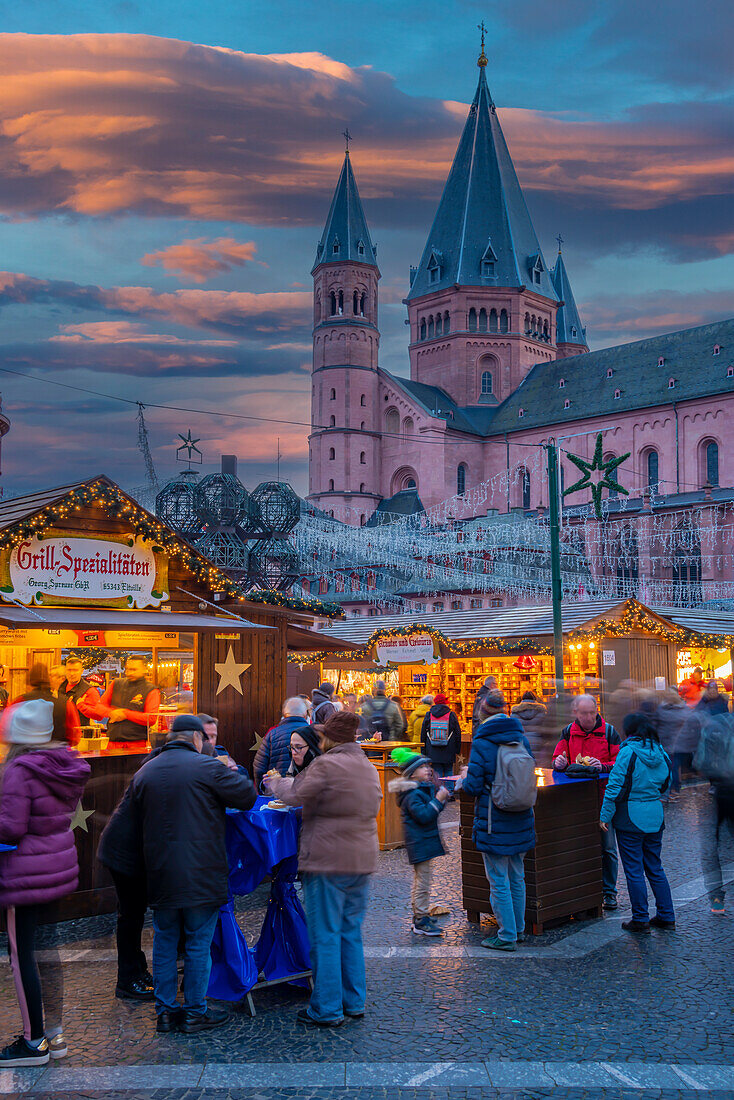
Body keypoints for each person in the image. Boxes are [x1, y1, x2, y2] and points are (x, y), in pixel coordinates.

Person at [130, 715, 256, 1034]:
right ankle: (194, 1012)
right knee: (199, 943)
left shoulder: (147, 770)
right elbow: (247, 796)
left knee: (165, 941)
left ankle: (165, 1012)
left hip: (159, 871)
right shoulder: (206, 766)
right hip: (201, 871)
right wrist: (221, 762)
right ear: (198, 739)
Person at [266, 711, 382, 1027]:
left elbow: (294, 794)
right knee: (349, 932)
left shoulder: (327, 764)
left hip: (328, 860)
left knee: (325, 935)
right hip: (360, 860)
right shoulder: (367, 766)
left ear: (329, 737)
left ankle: (327, 1008)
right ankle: (353, 1001)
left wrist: (277, 781)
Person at [0, 699, 90, 1066]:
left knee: (22, 957)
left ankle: (32, 1041)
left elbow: (10, 828)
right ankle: (54, 1031)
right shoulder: (62, 763)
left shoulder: (21, 769)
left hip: (24, 874)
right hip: (54, 869)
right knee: (46, 952)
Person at [460, 689, 536, 950]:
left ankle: (506, 935)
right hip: (522, 816)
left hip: (494, 819)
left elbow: (473, 786)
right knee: (517, 876)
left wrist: (464, 777)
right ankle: (519, 928)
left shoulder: (483, 742)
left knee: (498, 880)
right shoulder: (520, 738)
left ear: (483, 712)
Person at [600, 712, 675, 934]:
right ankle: (666, 915)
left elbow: (614, 786)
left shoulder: (628, 752)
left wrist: (605, 816)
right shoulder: (660, 751)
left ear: (629, 730)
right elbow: (667, 782)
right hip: (655, 814)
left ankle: (640, 918)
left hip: (630, 816)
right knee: (654, 866)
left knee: (633, 869)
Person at [97, 749, 161, 1004]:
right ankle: (127, 980)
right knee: (130, 917)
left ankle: (138, 971)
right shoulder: (155, 779)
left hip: (124, 853)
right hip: (124, 856)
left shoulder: (151, 771)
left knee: (132, 915)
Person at [552, 693, 622, 911]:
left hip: (604, 799)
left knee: (608, 847)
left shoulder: (609, 732)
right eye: (584, 713)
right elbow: (556, 759)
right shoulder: (568, 733)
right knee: (579, 845)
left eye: (592, 712)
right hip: (576, 800)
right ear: (576, 713)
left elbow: (619, 762)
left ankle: (609, 892)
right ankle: (582, 891)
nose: (589, 717)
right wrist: (559, 762)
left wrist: (602, 766)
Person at [388, 749, 450, 936]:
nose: (427, 769)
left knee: (422, 879)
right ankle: (420, 920)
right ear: (412, 773)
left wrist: (440, 795)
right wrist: (438, 800)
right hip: (419, 842)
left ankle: (420, 915)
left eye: (427, 766)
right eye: (422, 767)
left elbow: (433, 809)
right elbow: (424, 816)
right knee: (423, 882)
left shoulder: (420, 788)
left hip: (423, 841)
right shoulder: (412, 794)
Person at [693, 713, 734, 913]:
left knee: (711, 844)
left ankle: (717, 898)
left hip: (722, 791)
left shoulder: (714, 725)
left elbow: (700, 761)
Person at [98, 657, 160, 745]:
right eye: (127, 669)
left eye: (134, 669)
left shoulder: (151, 690)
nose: (130, 672)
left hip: (138, 743)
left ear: (144, 669)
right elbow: (99, 707)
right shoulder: (116, 684)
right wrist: (112, 713)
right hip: (113, 742)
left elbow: (151, 719)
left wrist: (126, 714)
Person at [253, 697, 311, 791]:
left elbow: (259, 766)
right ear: (305, 714)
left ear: (284, 714)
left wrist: (263, 788)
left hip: (278, 793)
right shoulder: (314, 734)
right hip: (306, 793)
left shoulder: (272, 734)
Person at [18, 663, 81, 746]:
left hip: (29, 753)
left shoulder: (21, 700)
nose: (50, 678)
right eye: (49, 675)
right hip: (56, 753)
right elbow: (74, 737)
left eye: (52, 675)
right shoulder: (65, 703)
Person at [420, 693, 462, 778]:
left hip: (432, 749)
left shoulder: (429, 714)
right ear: (445, 703)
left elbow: (423, 733)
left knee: (436, 771)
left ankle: (438, 789)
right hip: (448, 748)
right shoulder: (451, 715)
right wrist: (457, 749)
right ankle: (449, 790)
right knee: (448, 770)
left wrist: (423, 750)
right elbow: (458, 733)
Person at [57, 657, 102, 732]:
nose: (72, 673)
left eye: (75, 670)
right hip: (60, 734)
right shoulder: (60, 687)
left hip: (79, 737)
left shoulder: (89, 690)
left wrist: (81, 706)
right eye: (69, 670)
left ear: (81, 671)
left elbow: (99, 715)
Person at [511, 691, 549, 765]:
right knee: (538, 767)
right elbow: (545, 730)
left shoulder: (514, 714)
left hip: (521, 744)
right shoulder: (542, 712)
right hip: (538, 743)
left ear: (522, 699)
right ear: (535, 699)